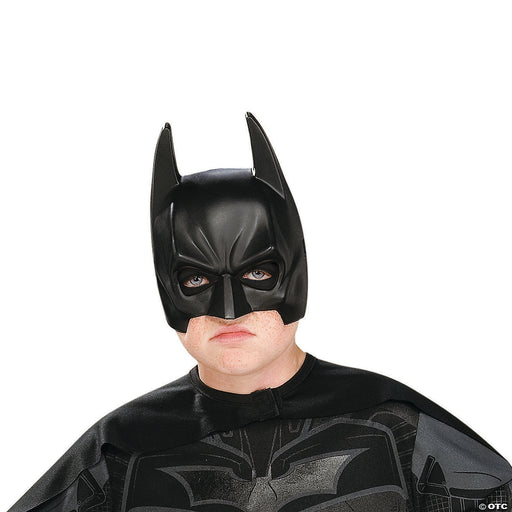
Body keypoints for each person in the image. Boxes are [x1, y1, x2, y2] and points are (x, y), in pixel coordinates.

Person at [8, 113, 512, 512]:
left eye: (256, 273)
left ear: (295, 273)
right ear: (166, 285)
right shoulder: (118, 451)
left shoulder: (400, 428)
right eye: (196, 280)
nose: (229, 311)